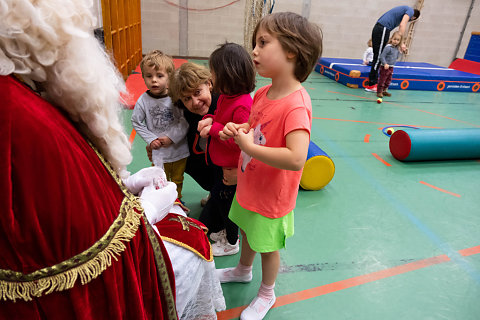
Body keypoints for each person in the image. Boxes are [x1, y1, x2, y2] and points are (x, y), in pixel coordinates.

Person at [0, 0, 178, 318]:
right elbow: (83, 247)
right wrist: (147, 211)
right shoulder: (22, 116)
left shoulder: (23, 96)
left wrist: (122, 182)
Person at [217, 12, 323, 320]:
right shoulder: (263, 92)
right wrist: (236, 131)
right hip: (251, 184)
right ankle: (242, 270)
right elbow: (253, 128)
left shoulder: (296, 104)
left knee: (268, 245)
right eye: (255, 43)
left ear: (292, 51)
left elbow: (296, 157)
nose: (254, 50)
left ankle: (267, 293)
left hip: (272, 196)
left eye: (263, 42)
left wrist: (250, 147)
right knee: (248, 231)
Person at [197, 42, 255, 256]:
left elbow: (236, 140)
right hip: (220, 165)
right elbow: (221, 120)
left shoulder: (242, 104)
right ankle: (220, 231)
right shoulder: (225, 97)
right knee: (218, 203)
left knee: (228, 208)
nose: (211, 77)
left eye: (213, 72)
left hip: (231, 170)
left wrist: (213, 129)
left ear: (227, 74)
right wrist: (209, 119)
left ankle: (231, 242)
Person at [131, 50, 189, 199]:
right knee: (158, 179)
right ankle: (162, 201)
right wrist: (151, 139)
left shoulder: (174, 97)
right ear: (143, 77)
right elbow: (136, 121)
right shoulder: (143, 100)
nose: (154, 80)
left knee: (177, 179)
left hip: (177, 150)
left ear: (169, 77)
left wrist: (171, 137)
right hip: (159, 153)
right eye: (149, 76)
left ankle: (177, 200)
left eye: (160, 76)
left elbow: (184, 120)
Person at [365, 5, 420, 92]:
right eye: (412, 20)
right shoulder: (410, 11)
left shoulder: (403, 10)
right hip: (383, 28)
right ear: (413, 17)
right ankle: (372, 84)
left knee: (378, 55)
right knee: (379, 56)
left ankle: (373, 82)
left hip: (380, 28)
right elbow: (402, 25)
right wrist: (401, 43)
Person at [377, 31, 403, 99]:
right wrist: (385, 63)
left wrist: (401, 51)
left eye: (398, 40)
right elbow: (382, 56)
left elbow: (397, 57)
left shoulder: (397, 48)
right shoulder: (388, 47)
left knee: (388, 80)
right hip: (385, 67)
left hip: (391, 67)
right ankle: (379, 91)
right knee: (382, 80)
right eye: (394, 39)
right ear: (391, 39)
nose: (395, 41)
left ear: (400, 41)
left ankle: (384, 90)